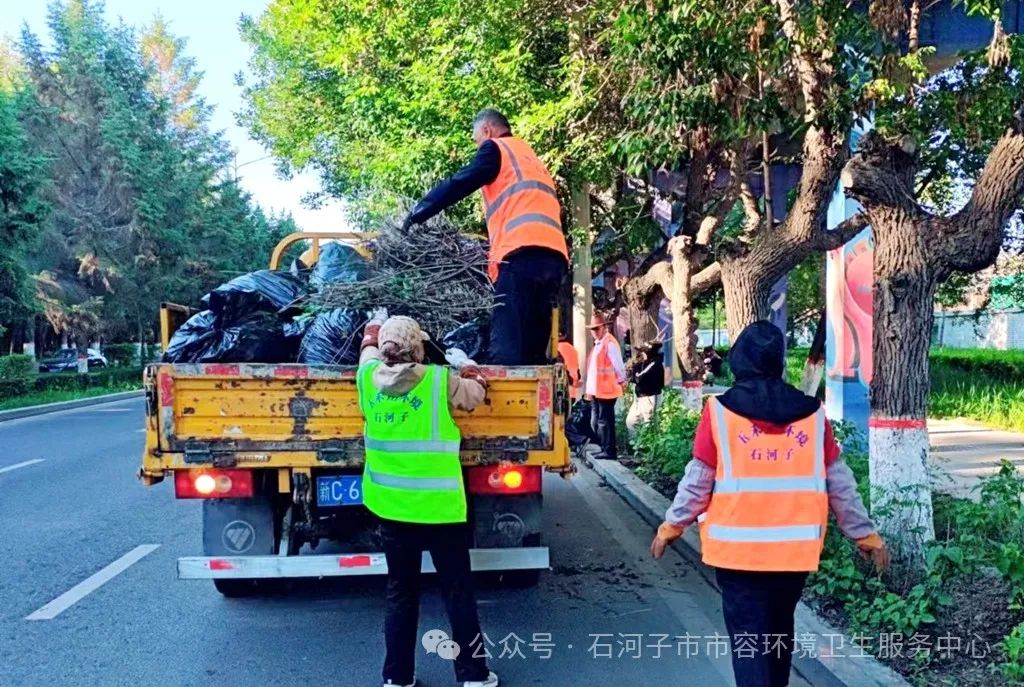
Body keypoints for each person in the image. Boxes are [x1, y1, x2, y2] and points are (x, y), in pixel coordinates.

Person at [650, 321, 889, 687]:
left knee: (749, 642)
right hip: (792, 556)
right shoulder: (812, 415)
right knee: (778, 635)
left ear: (740, 361)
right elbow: (840, 483)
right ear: (778, 362)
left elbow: (699, 480)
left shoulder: (719, 413)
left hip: (737, 556)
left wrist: (672, 526)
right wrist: (865, 535)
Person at [358, 313, 499, 687]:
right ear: (419, 349)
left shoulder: (367, 379)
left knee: (400, 594)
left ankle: (397, 678)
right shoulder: (439, 381)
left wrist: (374, 325)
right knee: (457, 592)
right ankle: (473, 675)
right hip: (440, 511)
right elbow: (479, 392)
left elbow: (367, 351)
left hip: (392, 510)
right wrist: (467, 364)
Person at [403, 109, 569, 365]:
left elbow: (462, 181)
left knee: (508, 341)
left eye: (475, 138)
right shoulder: (528, 155)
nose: (477, 144)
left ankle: (506, 402)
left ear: (487, 131)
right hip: (554, 258)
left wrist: (420, 211)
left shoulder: (496, 149)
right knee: (534, 342)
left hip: (520, 252)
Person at [584, 313, 626, 460]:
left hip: (607, 390)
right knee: (599, 421)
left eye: (596, 328)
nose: (594, 331)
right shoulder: (599, 344)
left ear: (604, 327)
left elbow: (618, 366)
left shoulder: (609, 343)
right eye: (592, 329)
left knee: (605, 421)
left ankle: (609, 450)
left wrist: (622, 381)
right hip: (597, 390)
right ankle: (604, 448)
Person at [625, 341, 665, 438]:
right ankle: (637, 446)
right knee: (631, 421)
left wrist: (635, 370)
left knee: (649, 425)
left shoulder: (655, 364)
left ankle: (648, 449)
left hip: (650, 398)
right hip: (639, 398)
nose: (641, 353)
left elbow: (639, 378)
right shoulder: (644, 364)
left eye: (643, 351)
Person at [557, 335, 582, 401]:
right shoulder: (574, 350)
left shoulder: (556, 349)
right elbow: (578, 372)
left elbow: (560, 369)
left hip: (562, 390)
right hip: (573, 391)